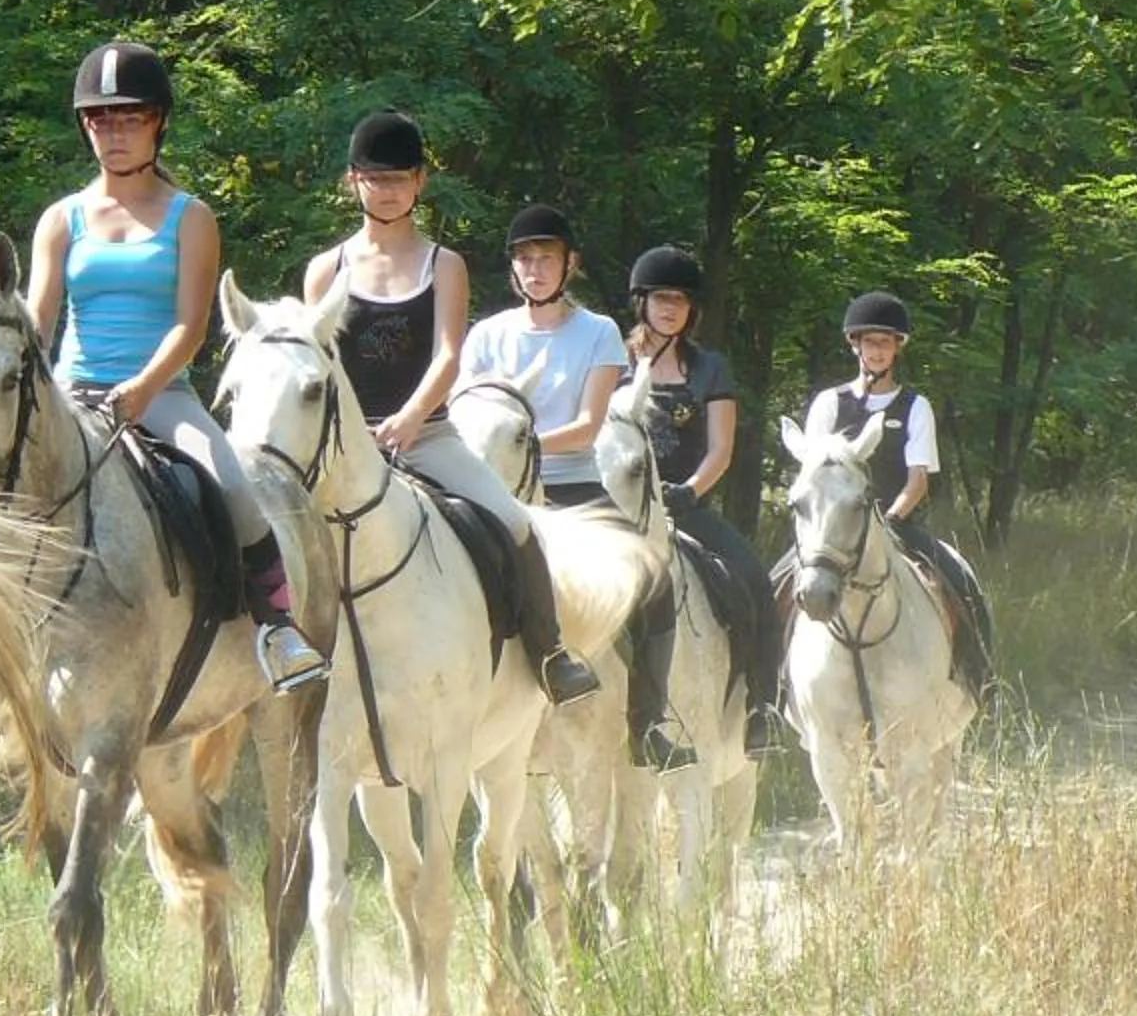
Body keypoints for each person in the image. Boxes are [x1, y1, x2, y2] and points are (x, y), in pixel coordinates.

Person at [26, 41, 325, 689]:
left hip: (160, 393)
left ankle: (277, 628)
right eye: (101, 120)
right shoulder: (61, 220)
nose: (114, 133)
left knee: (232, 484)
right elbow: (37, 324)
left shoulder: (191, 218)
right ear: (85, 127)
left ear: (158, 122)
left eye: (129, 119)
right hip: (70, 391)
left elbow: (191, 327)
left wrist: (140, 389)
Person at [297, 111, 597, 706]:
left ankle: (548, 653)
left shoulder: (444, 264)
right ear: (353, 181)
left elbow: (450, 356)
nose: (386, 189)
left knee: (515, 525)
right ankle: (272, 648)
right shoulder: (324, 269)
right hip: (345, 443)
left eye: (399, 178)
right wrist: (355, 432)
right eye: (374, 178)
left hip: (429, 434)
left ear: (420, 182)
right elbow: (319, 366)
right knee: (272, 520)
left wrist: (410, 418)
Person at [622, 243, 786, 754]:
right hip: (619, 507)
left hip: (685, 505)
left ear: (692, 309)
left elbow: (721, 448)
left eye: (680, 299)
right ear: (642, 302)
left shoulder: (710, 368)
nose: (670, 307)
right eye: (660, 297)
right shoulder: (614, 361)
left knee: (755, 580)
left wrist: (688, 491)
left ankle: (762, 706)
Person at [797, 288, 996, 703]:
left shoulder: (914, 406)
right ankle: (773, 692)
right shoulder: (829, 404)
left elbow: (917, 479)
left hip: (896, 522)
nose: (876, 350)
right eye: (869, 341)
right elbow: (814, 474)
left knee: (961, 582)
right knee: (776, 587)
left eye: (884, 342)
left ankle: (980, 678)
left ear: (896, 349)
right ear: (856, 345)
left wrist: (887, 523)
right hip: (833, 532)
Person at [457, 204, 629, 508]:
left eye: (547, 258)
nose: (535, 270)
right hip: (494, 485)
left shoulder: (600, 332)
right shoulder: (484, 334)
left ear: (570, 262)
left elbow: (587, 428)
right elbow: (463, 415)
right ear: (513, 265)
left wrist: (519, 448)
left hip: (570, 484)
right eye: (525, 259)